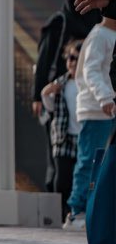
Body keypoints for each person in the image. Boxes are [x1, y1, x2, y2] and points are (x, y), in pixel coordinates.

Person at [32, 0, 100, 193]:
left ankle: (76, 207)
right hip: (58, 96)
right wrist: (37, 95)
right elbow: (44, 60)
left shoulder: (98, 22)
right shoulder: (60, 22)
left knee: (86, 156)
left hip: (88, 97)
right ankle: (57, 208)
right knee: (58, 156)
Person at [66, 0, 116, 230]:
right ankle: (77, 211)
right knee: (88, 160)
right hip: (96, 110)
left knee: (104, 163)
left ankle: (96, 211)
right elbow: (91, 70)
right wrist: (105, 98)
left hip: (109, 110)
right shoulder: (100, 35)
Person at [40, 39, 83, 220]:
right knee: (62, 178)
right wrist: (46, 92)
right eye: (69, 58)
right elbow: (50, 107)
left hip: (83, 135)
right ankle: (64, 212)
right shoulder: (61, 83)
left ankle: (77, 212)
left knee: (80, 175)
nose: (71, 62)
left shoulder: (89, 82)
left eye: (75, 58)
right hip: (63, 136)